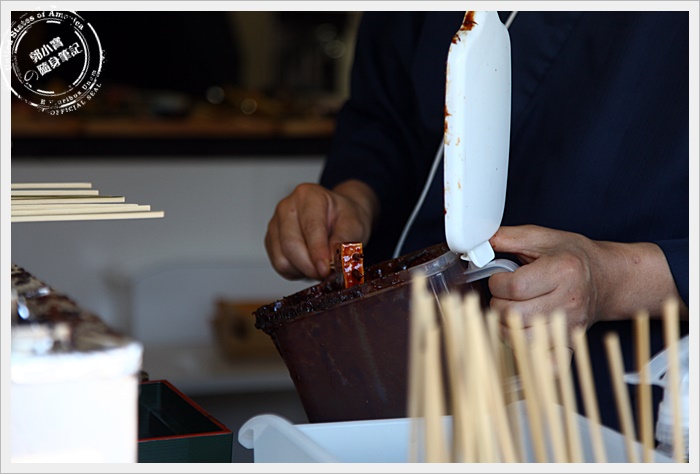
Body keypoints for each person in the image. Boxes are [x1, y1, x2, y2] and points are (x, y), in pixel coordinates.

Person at [264, 11, 689, 433]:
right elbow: (383, 114)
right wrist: (355, 196)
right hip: (392, 363)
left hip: (615, 395)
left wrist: (611, 278)